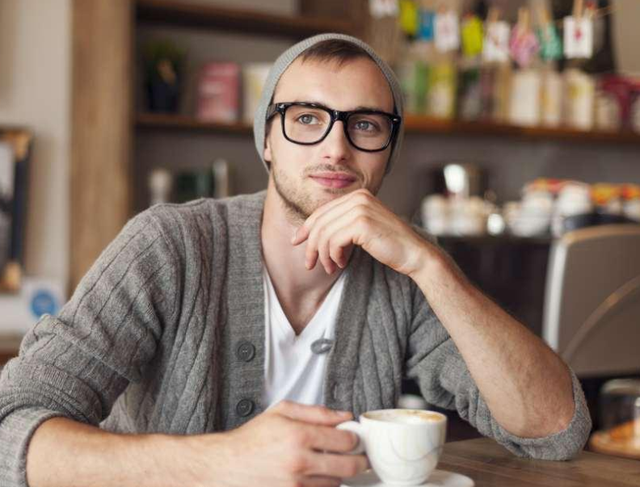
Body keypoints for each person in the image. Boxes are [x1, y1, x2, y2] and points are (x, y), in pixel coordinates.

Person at [0, 34, 591, 487]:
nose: (336, 147)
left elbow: (554, 432)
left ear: (389, 149)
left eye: (365, 125)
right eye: (306, 119)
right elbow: (11, 430)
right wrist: (222, 461)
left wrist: (430, 266)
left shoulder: (405, 274)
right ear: (266, 139)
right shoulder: (169, 247)